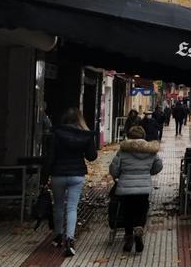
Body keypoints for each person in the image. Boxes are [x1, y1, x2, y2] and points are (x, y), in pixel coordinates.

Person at [44, 108, 97, 257]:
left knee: (59, 206)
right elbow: (92, 156)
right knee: (72, 208)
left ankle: (58, 236)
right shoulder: (84, 135)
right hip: (76, 174)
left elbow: (50, 157)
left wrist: (44, 178)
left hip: (58, 174)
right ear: (80, 120)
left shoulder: (56, 134)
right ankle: (70, 240)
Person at [109, 125, 163, 253]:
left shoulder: (122, 151)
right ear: (143, 136)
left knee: (127, 211)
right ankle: (139, 230)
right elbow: (158, 166)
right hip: (143, 188)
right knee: (142, 209)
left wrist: (117, 175)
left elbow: (114, 169)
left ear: (129, 136)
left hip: (125, 187)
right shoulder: (151, 151)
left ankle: (128, 236)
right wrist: (149, 172)